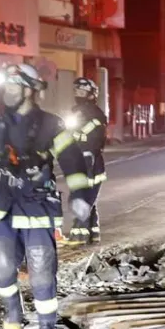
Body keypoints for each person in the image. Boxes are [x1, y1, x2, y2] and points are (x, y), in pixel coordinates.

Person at [0, 63, 92, 329]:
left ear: (30, 90)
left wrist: (79, 196)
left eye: (13, 87)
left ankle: (46, 326)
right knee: (1, 265)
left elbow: (72, 162)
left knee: (42, 268)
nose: (7, 92)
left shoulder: (51, 124)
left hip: (38, 203)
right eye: (6, 87)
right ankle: (13, 312)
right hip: (4, 201)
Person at [63, 77, 108, 246]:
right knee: (88, 197)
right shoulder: (74, 112)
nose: (79, 95)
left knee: (81, 197)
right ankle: (92, 233)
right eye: (77, 92)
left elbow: (96, 141)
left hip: (90, 163)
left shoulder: (96, 115)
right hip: (79, 161)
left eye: (83, 92)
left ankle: (79, 233)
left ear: (91, 95)